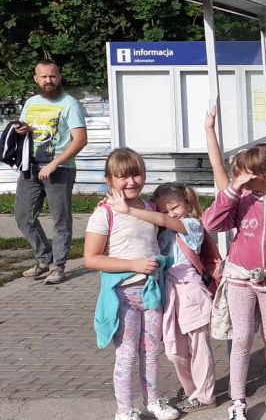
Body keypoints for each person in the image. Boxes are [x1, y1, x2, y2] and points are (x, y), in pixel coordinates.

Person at [202, 144, 266, 420]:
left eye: (247, 174)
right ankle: (237, 400)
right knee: (242, 338)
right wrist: (233, 189)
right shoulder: (241, 198)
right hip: (240, 279)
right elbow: (211, 223)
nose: (242, 178)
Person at [83, 148, 179, 420]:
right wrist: (133, 265)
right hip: (122, 295)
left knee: (152, 351)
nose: (131, 181)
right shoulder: (103, 213)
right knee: (126, 354)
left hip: (152, 292)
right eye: (122, 177)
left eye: (136, 174)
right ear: (109, 180)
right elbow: (91, 258)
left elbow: (175, 219)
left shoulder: (149, 208)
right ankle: (124, 410)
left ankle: (154, 402)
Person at [107, 182, 219, 413]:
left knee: (199, 344)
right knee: (173, 350)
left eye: (175, 207)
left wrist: (129, 209)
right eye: (164, 210)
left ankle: (205, 395)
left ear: (187, 203)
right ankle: (191, 389)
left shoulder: (192, 224)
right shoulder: (161, 231)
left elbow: (163, 220)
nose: (170, 214)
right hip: (167, 290)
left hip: (190, 289)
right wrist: (114, 207)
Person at [17, 59, 88, 285]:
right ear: (36, 79)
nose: (49, 80)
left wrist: (55, 163)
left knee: (60, 219)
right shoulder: (31, 102)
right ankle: (44, 258)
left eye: (53, 76)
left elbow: (80, 140)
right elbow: (24, 129)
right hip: (30, 167)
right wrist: (20, 130)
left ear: (59, 77)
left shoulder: (70, 104)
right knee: (23, 216)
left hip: (60, 169)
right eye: (44, 76)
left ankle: (58, 266)